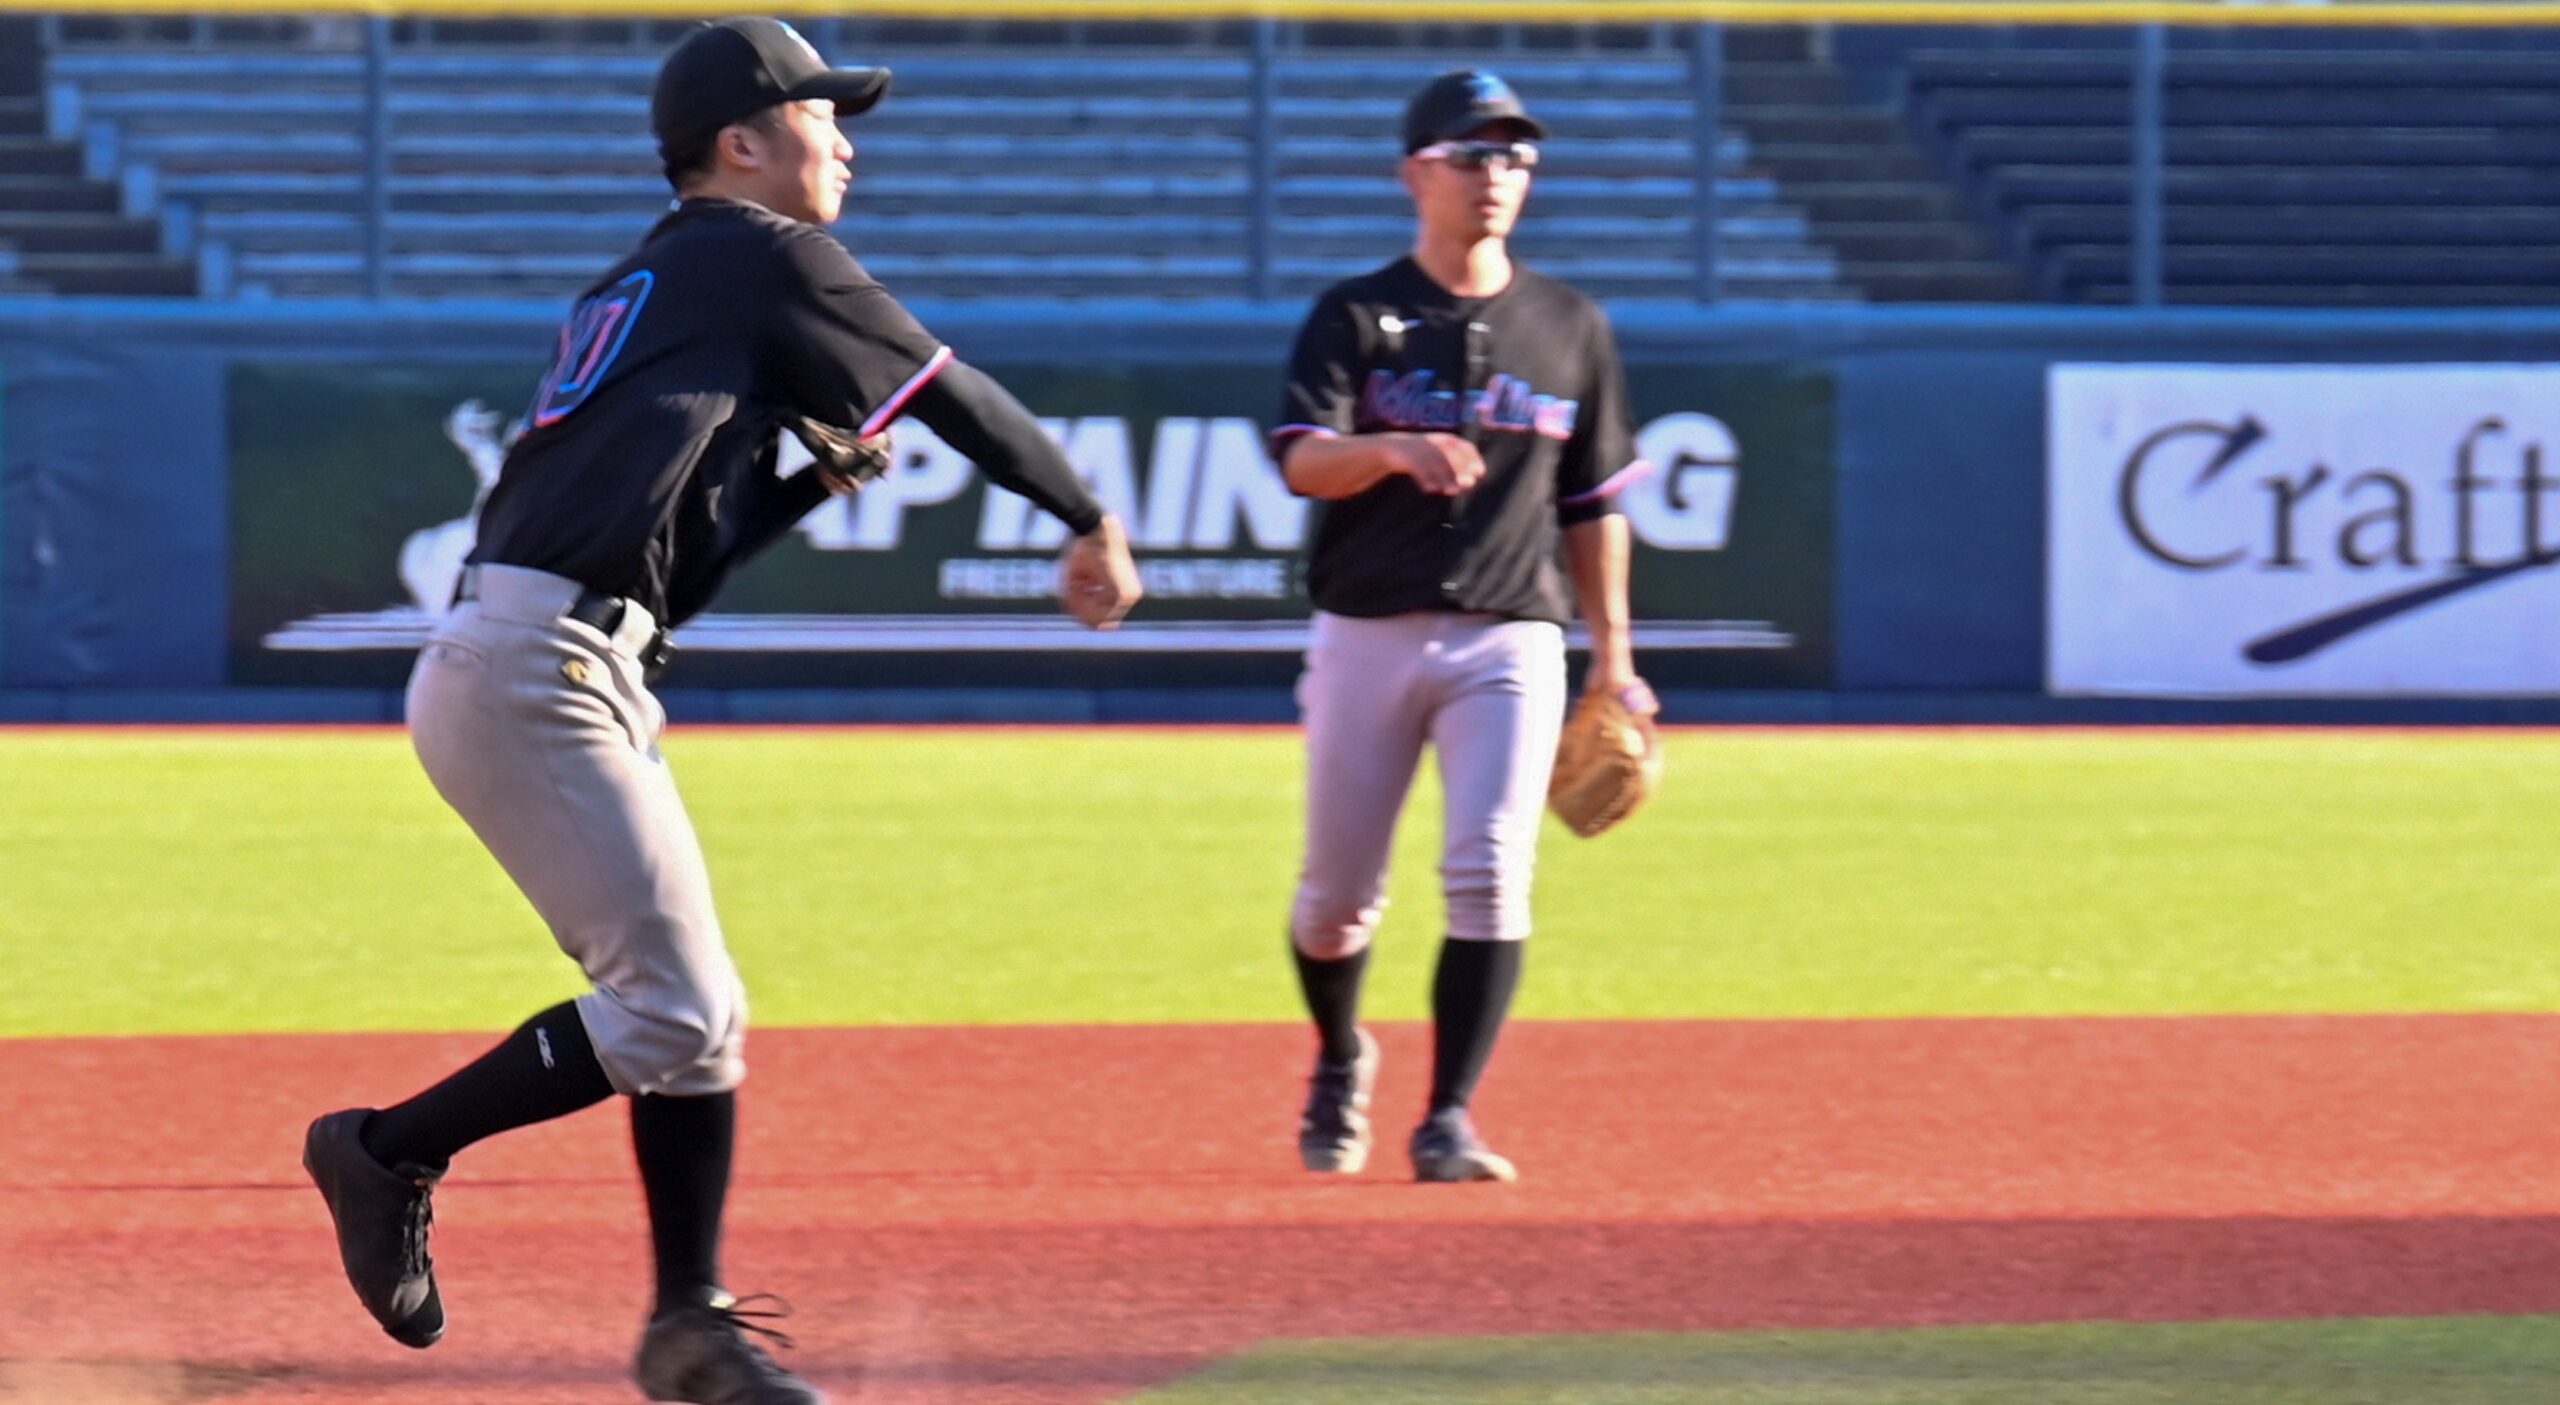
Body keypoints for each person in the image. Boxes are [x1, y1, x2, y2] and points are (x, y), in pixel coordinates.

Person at [299, 18, 1141, 1405]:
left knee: (702, 1018)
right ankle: (386, 1151)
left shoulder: (659, 279)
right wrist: (1087, 512)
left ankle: (690, 1324)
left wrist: (799, 483)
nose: (845, 141)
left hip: (554, 658)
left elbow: (671, 574)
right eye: (821, 114)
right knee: (676, 1009)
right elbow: (952, 391)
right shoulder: (760, 254)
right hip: (535, 669)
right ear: (741, 144)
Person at [1270, 70, 1654, 1185]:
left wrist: (1615, 661)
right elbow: (1302, 461)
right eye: (1472, 154)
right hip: (1367, 628)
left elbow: (1593, 505)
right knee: (1336, 901)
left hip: (1510, 636)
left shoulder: (1570, 325)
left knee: (1489, 871)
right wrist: (1391, 449)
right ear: (1415, 173)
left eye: (1517, 156)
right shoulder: (1354, 313)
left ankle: (1447, 1116)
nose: (1498, 175)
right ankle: (1341, 1051)